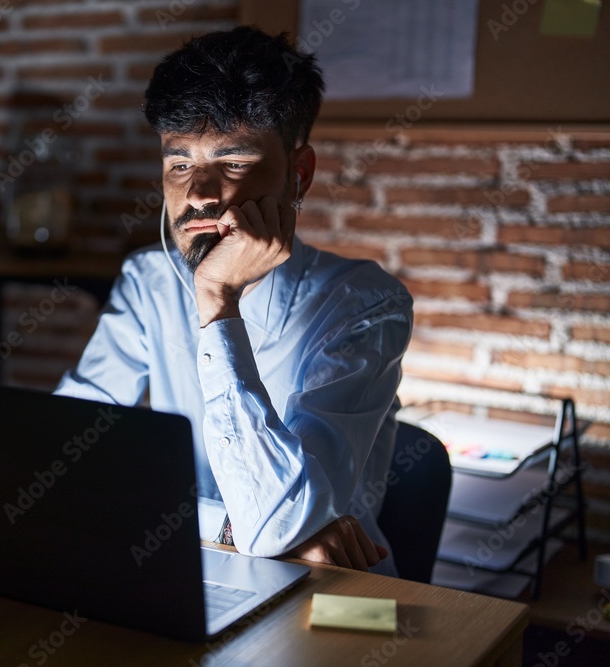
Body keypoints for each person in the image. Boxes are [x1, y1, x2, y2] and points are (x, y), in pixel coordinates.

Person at [55, 27, 413, 574]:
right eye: (180, 165)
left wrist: (217, 299)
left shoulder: (366, 305)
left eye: (234, 162)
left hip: (329, 589)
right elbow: (58, 460)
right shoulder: (149, 280)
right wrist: (224, 528)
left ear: (299, 175)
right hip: (182, 564)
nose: (198, 192)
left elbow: (278, 521)